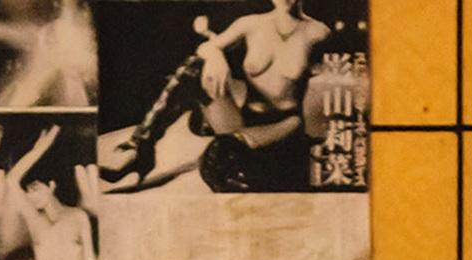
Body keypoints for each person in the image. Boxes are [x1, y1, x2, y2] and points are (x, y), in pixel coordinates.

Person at [100, 0, 335, 194]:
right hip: (242, 118)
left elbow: (330, 93)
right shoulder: (251, 24)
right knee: (194, 68)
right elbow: (206, 48)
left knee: (221, 159)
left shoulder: (318, 33)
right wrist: (215, 56)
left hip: (283, 126)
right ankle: (140, 150)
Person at [0, 121, 95, 260]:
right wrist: (39, 149)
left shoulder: (78, 217)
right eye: (27, 193)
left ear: (51, 186)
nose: (31, 197)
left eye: (35, 188)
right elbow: (12, 180)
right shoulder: (34, 220)